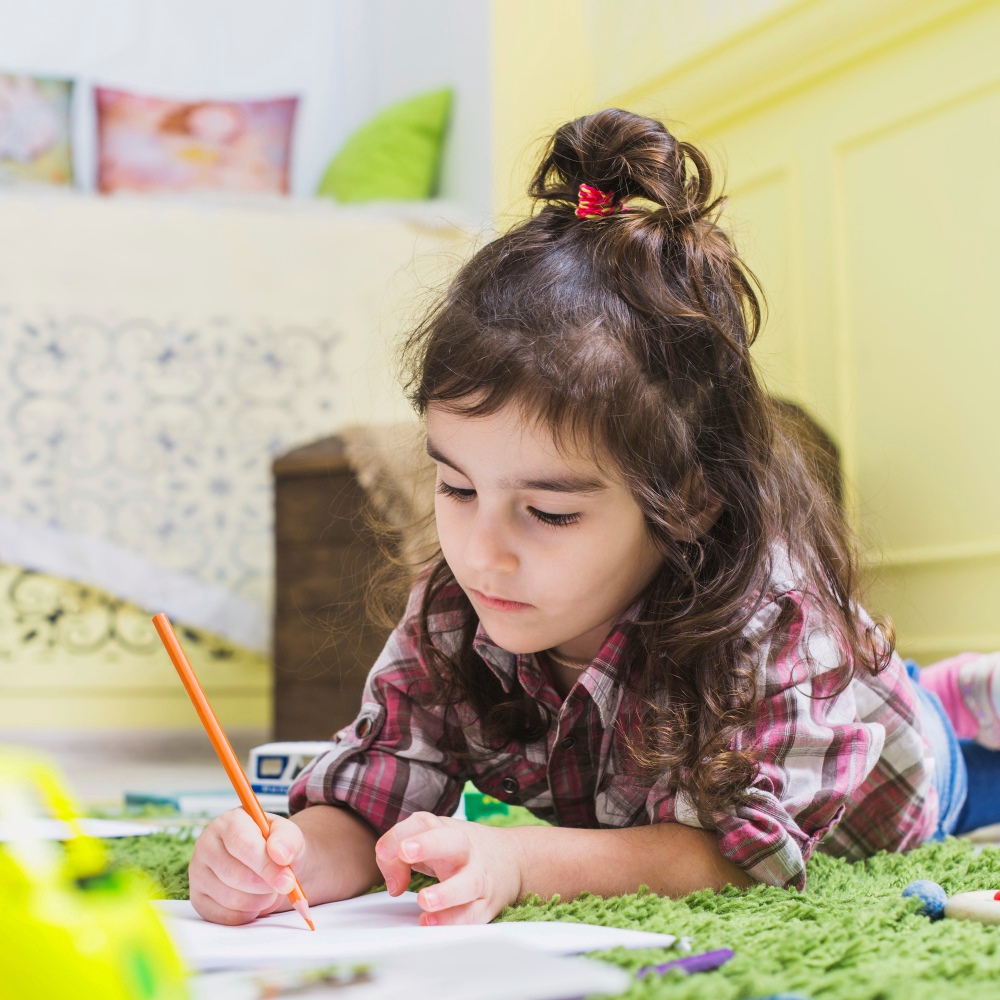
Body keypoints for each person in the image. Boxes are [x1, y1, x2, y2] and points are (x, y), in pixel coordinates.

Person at [188, 108, 1000, 928]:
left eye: (547, 511)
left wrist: (520, 859)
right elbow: (374, 797)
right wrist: (283, 855)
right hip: (789, 722)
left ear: (688, 499)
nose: (482, 553)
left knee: (955, 754)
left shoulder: (772, 617)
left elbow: (742, 858)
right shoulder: (452, 608)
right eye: (458, 489)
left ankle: (955, 700)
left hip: (904, 770)